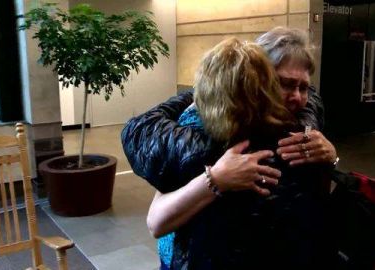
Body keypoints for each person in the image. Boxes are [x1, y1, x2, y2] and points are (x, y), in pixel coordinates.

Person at [121, 27, 338, 269]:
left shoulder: (304, 134)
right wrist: (214, 179)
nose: (297, 97)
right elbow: (157, 221)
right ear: (253, 83)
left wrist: (331, 158)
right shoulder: (202, 134)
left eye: (303, 87)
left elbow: (316, 206)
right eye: (285, 84)